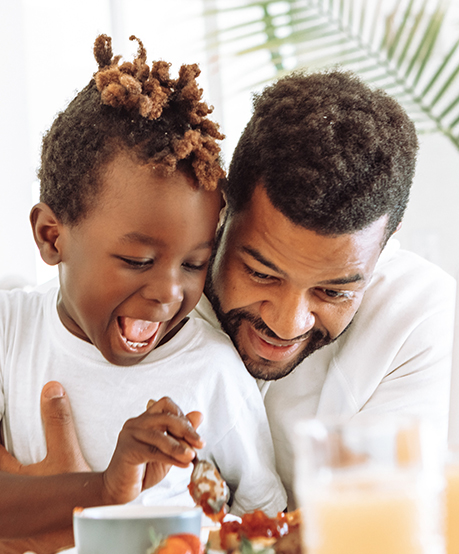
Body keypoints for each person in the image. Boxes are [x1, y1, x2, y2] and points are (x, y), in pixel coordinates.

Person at [0, 34, 286, 552]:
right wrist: (107, 487)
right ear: (51, 236)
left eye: (195, 263)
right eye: (137, 261)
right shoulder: (10, 330)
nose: (169, 292)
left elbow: (263, 519)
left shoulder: (212, 372)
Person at [195, 69, 455, 508]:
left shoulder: (417, 315)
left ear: (386, 242)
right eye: (262, 274)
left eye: (333, 293)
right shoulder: (146, 293)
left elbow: (372, 531)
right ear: (222, 207)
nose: (285, 323)